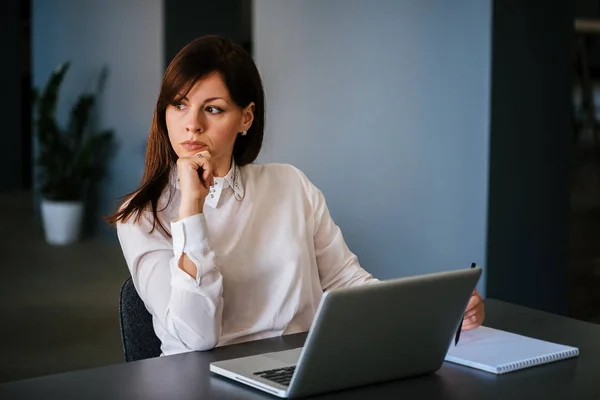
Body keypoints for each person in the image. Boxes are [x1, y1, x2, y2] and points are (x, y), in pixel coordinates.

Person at [108, 35, 484, 356]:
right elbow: (195, 338)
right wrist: (191, 210)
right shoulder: (140, 215)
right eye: (179, 105)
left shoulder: (290, 185)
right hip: (201, 382)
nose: (192, 123)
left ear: (246, 119)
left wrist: (436, 313)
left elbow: (348, 283)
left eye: (213, 109)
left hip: (305, 372)